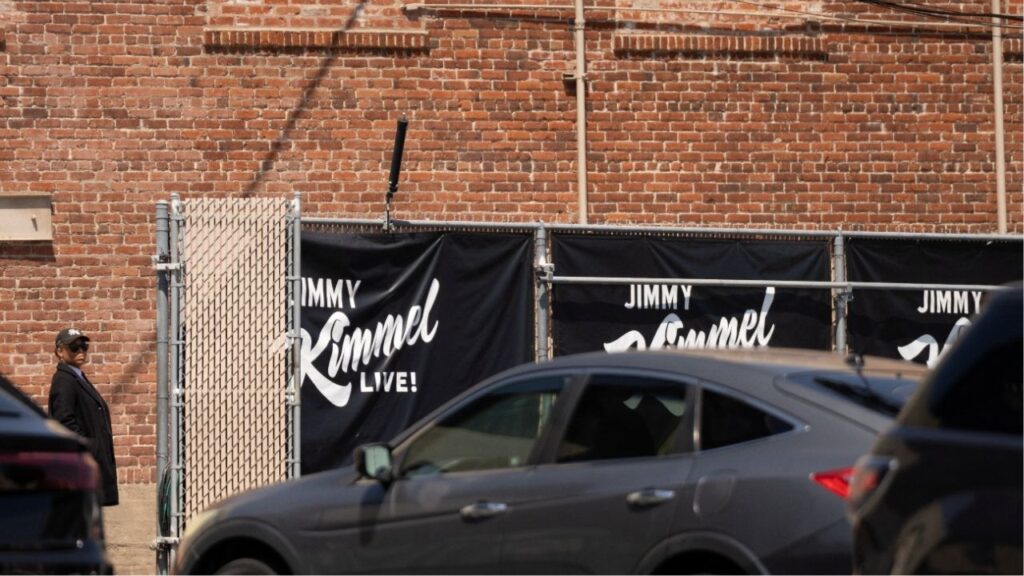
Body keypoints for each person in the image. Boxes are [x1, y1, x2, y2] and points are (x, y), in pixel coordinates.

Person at [49, 328, 119, 506]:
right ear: (60, 351)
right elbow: (64, 422)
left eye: (84, 346)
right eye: (74, 347)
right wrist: (89, 449)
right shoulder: (64, 380)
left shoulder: (77, 377)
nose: (81, 351)